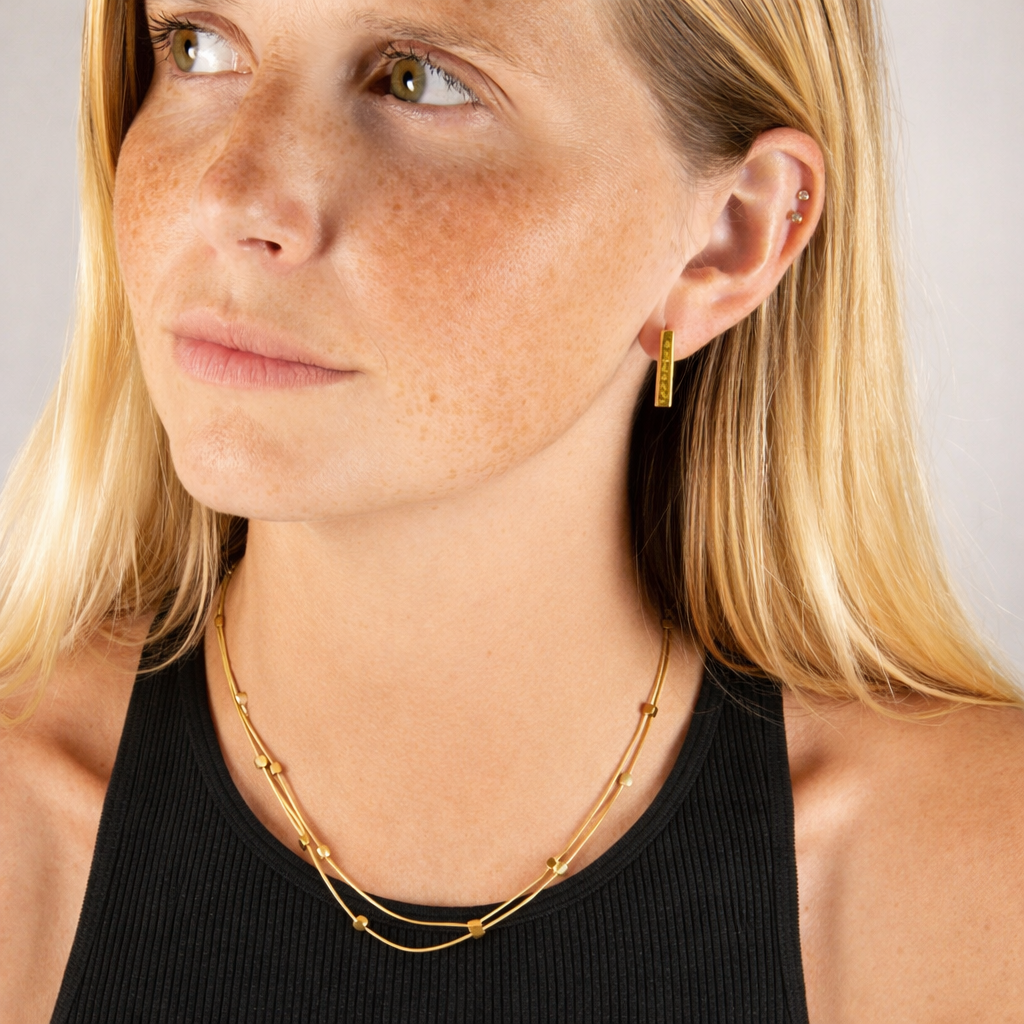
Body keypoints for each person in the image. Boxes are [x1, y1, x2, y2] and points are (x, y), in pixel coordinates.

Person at [1, 0, 1021, 1020]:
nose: (230, 193)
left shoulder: (978, 887)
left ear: (728, 236)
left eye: (419, 79)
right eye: (199, 47)